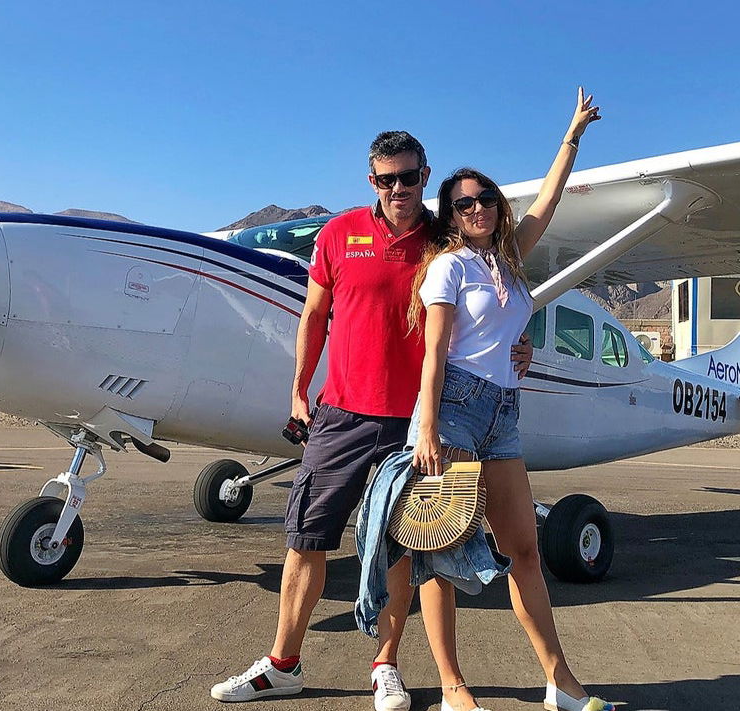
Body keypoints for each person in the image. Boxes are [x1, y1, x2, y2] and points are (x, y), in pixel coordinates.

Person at [212, 131, 531, 710]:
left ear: (424, 174)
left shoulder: (447, 238)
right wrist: (298, 392)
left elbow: (495, 284)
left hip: (416, 424)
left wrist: (520, 340)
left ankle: (386, 665)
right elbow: (315, 313)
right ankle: (282, 663)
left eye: (409, 177)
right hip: (341, 413)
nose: (400, 189)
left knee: (400, 546)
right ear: (372, 181)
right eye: (388, 179)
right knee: (307, 538)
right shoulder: (339, 233)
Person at [408, 88, 609, 711]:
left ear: (497, 204)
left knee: (523, 547)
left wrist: (571, 135)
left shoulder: (510, 260)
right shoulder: (450, 267)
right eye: (463, 203)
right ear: (450, 214)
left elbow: (547, 200)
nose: (476, 208)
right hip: (457, 407)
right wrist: (428, 426)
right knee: (438, 551)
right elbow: (436, 351)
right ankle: (452, 685)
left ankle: (560, 680)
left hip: (503, 410)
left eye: (485, 198)